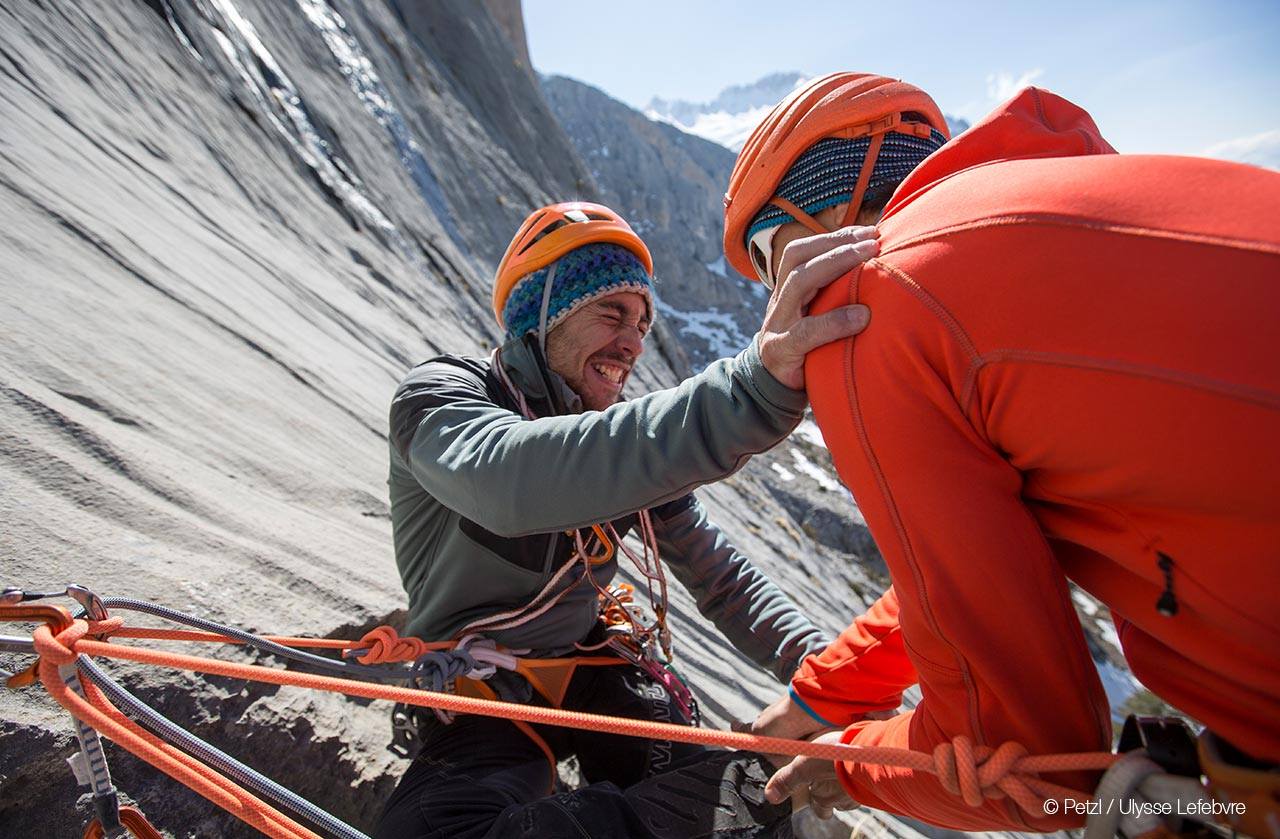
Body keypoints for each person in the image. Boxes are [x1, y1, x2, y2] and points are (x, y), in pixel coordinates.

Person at [722, 72, 1280, 832]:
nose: (768, 293)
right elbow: (979, 561)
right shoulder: (1048, 204)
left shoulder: (873, 306)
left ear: (821, 207)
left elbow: (1027, 748)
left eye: (762, 253)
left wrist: (851, 762)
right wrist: (821, 696)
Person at [375, 201, 879, 838]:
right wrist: (746, 395)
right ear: (539, 316)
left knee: (730, 803)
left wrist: (831, 680)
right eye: (611, 312)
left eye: (642, 323)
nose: (635, 341)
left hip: (595, 664)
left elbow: (721, 577)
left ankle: (769, 807)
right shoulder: (442, 396)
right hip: (482, 691)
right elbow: (504, 483)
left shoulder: (619, 449)